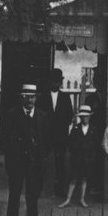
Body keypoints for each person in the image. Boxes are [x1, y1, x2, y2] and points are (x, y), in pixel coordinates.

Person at [1, 83, 52, 216]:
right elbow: (5, 138)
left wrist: (43, 157)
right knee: (15, 192)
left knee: (33, 193)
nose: (30, 100)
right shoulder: (12, 114)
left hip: (35, 160)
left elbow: (47, 139)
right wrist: (11, 156)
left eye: (32, 97)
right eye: (27, 97)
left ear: (36, 99)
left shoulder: (42, 116)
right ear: (21, 98)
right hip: (17, 160)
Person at [38, 68, 75, 198]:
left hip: (61, 135)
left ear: (60, 83)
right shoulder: (42, 97)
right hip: (46, 135)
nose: (55, 84)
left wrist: (61, 126)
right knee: (43, 161)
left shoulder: (65, 97)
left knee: (61, 163)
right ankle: (41, 189)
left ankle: (60, 190)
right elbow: (39, 116)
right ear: (50, 82)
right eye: (53, 81)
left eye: (57, 82)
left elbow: (70, 115)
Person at [59, 105, 98, 208]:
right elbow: (70, 142)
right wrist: (77, 149)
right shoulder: (75, 128)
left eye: (86, 116)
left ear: (90, 117)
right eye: (82, 116)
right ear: (80, 117)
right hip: (77, 158)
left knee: (84, 178)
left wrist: (90, 154)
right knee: (73, 178)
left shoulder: (94, 129)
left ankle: (82, 198)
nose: (84, 118)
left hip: (87, 158)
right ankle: (68, 199)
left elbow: (95, 144)